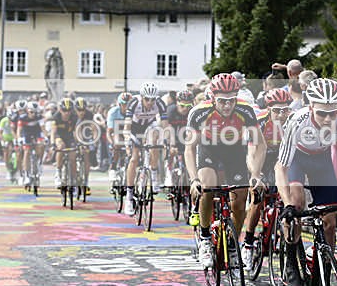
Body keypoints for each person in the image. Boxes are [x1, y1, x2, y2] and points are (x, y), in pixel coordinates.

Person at [275, 78, 337, 286]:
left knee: (330, 222)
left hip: (322, 160)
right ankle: (290, 264)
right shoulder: (297, 120)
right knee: (297, 204)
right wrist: (287, 204)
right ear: (311, 106)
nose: (327, 119)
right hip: (297, 159)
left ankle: (324, 276)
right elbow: (281, 168)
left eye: (332, 113)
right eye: (322, 113)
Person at [185, 73, 266, 268]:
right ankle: (205, 238)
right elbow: (189, 148)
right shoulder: (199, 112)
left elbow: (260, 145)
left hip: (234, 150)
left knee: (240, 199)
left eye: (231, 100)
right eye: (222, 101)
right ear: (213, 98)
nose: (227, 106)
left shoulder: (245, 109)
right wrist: (194, 179)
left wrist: (256, 174)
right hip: (209, 148)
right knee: (207, 186)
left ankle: (232, 243)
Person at [241, 88, 293, 269]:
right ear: (269, 109)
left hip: (282, 157)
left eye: (285, 110)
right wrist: (255, 175)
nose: (281, 114)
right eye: (277, 110)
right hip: (260, 156)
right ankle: (248, 242)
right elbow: (251, 153)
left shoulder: (293, 120)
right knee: (257, 198)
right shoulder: (259, 121)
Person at [123, 83, 169, 215]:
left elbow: (165, 125)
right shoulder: (134, 102)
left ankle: (153, 174)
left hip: (149, 126)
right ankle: (129, 196)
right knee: (134, 159)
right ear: (142, 97)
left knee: (155, 141)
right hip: (134, 128)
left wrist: (165, 140)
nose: (150, 102)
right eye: (147, 99)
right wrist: (127, 140)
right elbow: (127, 126)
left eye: (152, 99)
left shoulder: (160, 103)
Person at [51, 98, 78, 190]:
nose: (67, 113)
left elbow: (76, 131)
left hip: (69, 137)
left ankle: (73, 178)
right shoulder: (56, 117)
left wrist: (79, 142)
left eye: (69, 110)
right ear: (60, 110)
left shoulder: (74, 117)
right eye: (64, 110)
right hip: (59, 136)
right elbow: (53, 132)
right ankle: (58, 173)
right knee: (61, 147)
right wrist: (52, 144)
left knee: (73, 156)